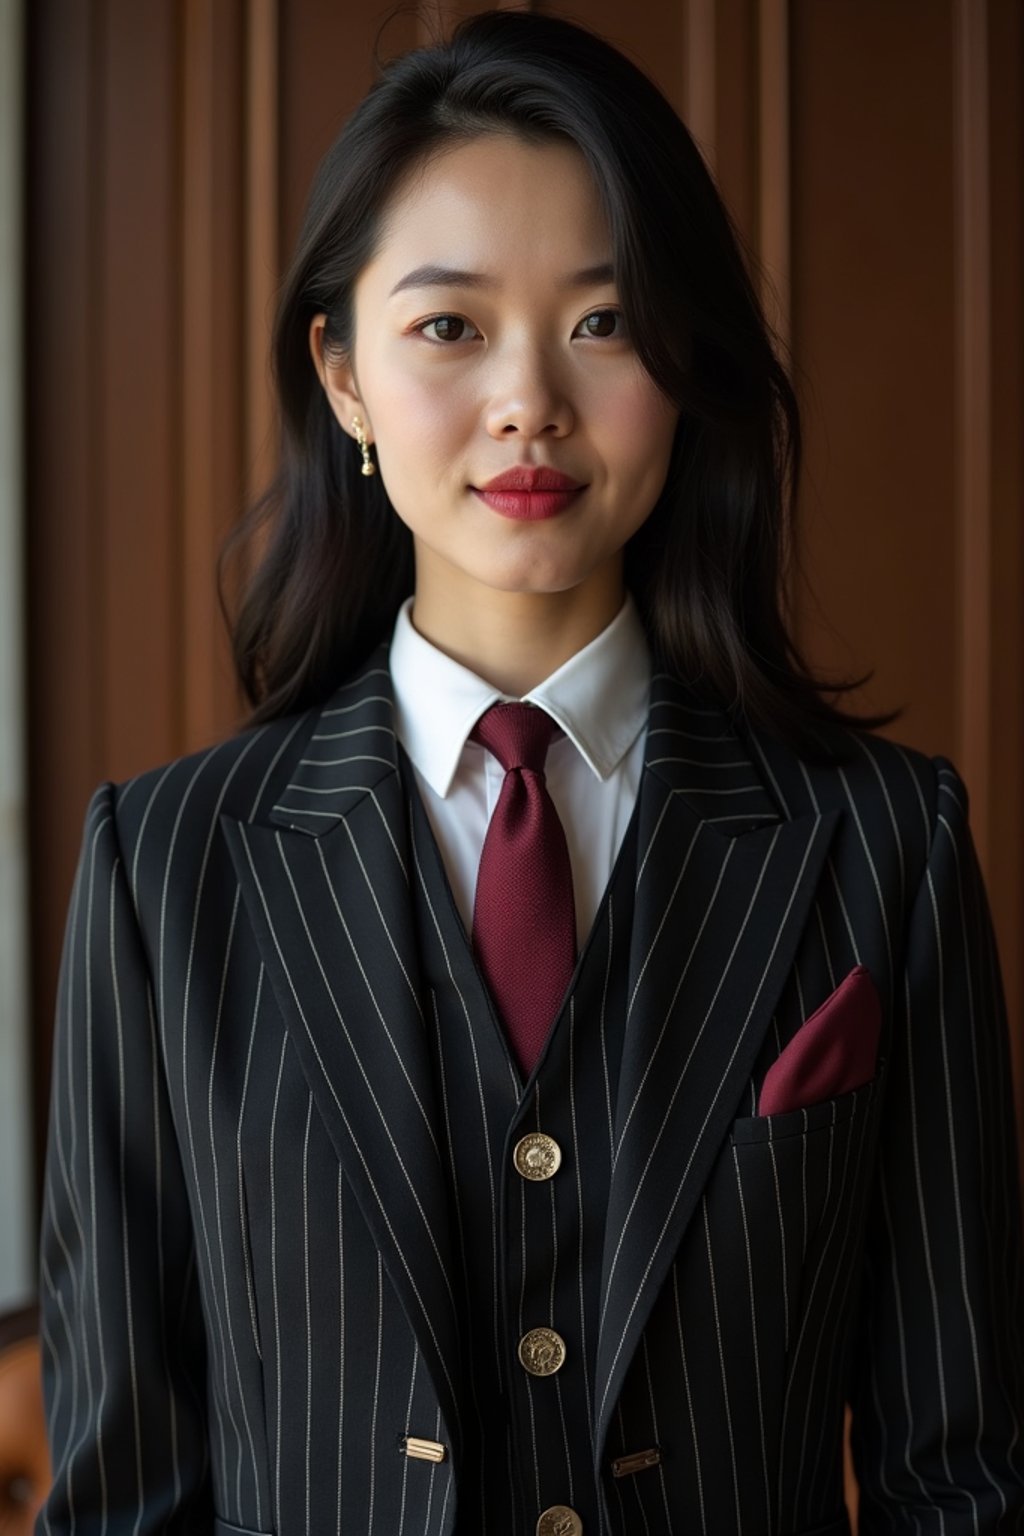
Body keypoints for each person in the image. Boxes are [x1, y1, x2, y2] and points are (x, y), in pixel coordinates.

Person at [37, 11, 1024, 1536]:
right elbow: (122, 1496)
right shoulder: (171, 868)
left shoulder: (882, 845)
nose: (527, 402)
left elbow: (959, 1477)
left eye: (604, 320)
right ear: (343, 375)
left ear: (685, 364)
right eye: (447, 327)